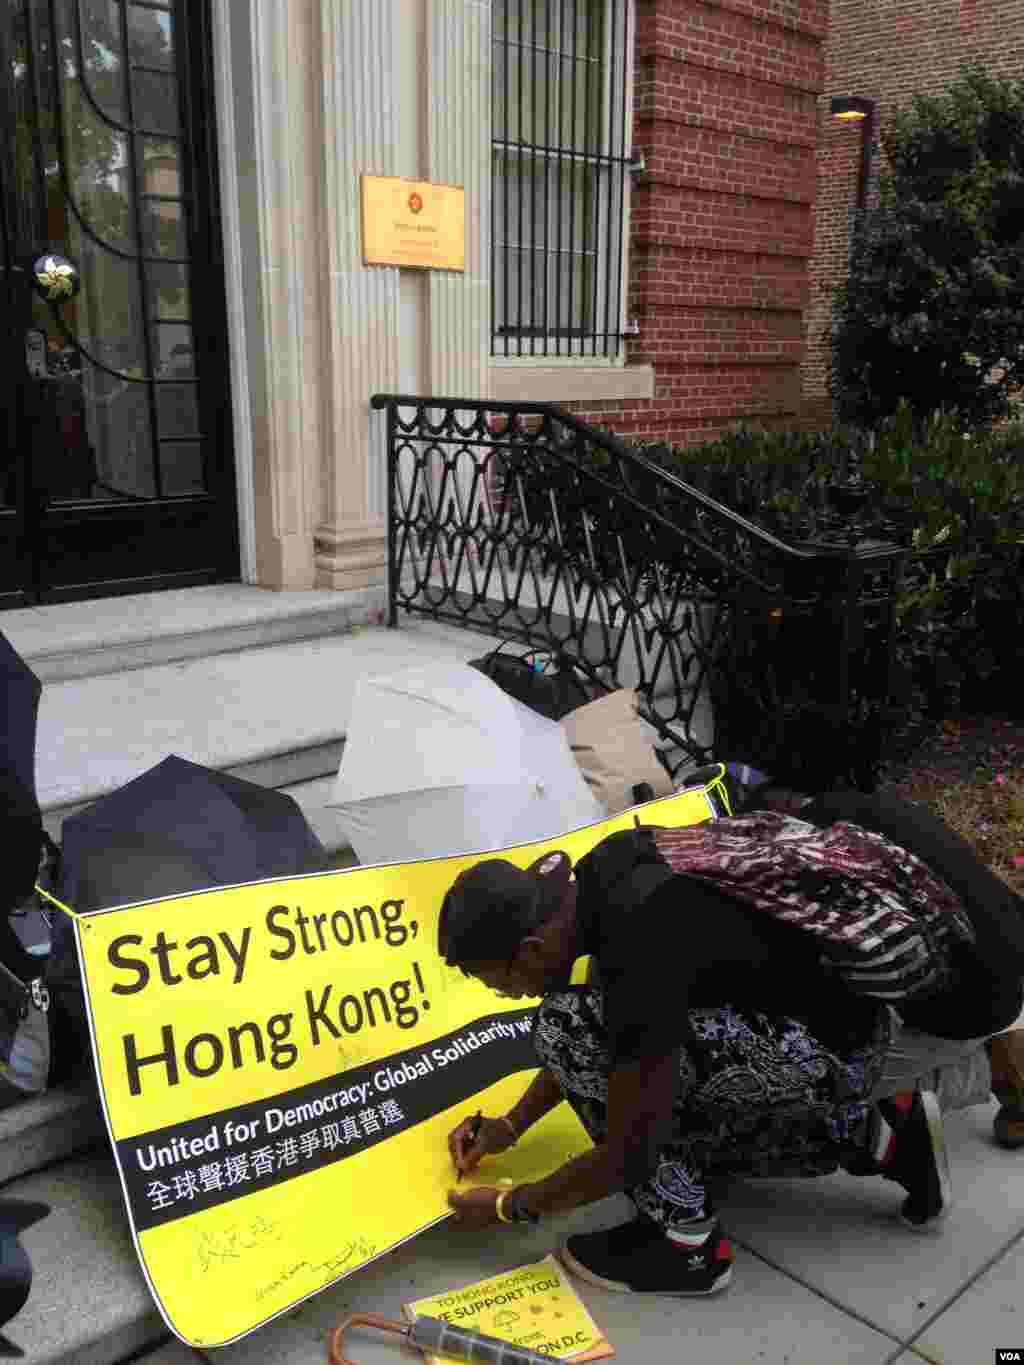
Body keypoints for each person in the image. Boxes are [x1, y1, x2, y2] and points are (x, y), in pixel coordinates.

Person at [439, 807, 972, 1298]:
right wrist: (511, 1125)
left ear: (529, 950)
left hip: (829, 1050)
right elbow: (605, 1044)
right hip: (842, 1025)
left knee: (578, 1045)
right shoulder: (610, 871)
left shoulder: (637, 951)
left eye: (502, 984)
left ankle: (686, 1247)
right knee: (583, 1037)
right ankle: (883, 1134)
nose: (512, 995)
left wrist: (513, 1207)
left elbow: (632, 1149)